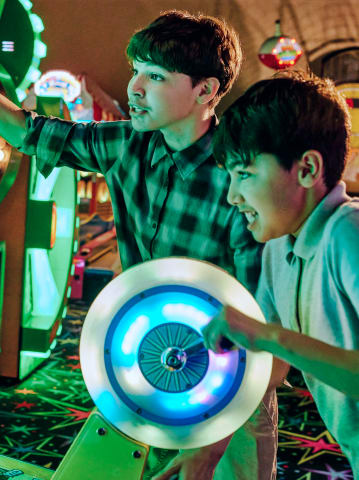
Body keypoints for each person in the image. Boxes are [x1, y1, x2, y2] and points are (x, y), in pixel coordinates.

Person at [0, 9, 282, 480]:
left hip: (231, 382)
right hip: (146, 359)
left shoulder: (238, 177)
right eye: (135, 71)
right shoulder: (128, 144)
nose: (135, 87)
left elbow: (264, 326)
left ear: (206, 91)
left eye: (155, 75)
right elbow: (30, 132)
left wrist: (213, 443)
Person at [202, 70, 359, 477]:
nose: (232, 196)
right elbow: (269, 365)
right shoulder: (279, 247)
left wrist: (267, 335)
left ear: (306, 169)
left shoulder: (347, 232)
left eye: (245, 173)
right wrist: (212, 449)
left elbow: (270, 340)